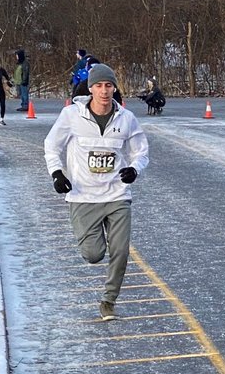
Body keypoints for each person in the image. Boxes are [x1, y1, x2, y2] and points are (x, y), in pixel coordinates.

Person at [43, 63, 150, 321]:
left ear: (114, 88)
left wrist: (134, 169)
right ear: (90, 89)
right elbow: (51, 145)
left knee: (121, 250)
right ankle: (94, 240)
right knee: (93, 255)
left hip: (116, 195)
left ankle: (108, 301)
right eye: (99, 86)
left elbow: (141, 151)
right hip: (83, 196)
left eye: (109, 85)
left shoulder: (126, 118)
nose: (104, 91)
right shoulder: (71, 116)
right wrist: (57, 173)